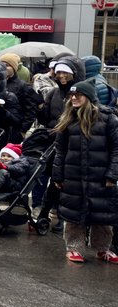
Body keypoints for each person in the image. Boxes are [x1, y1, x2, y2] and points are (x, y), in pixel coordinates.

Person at [51, 81, 118, 264]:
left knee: (103, 216)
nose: (73, 98)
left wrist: (112, 174)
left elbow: (116, 149)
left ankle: (103, 248)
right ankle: (74, 248)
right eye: (71, 95)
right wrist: (58, 174)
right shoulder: (67, 120)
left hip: (101, 175)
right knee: (74, 215)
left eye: (78, 94)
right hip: (73, 175)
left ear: (88, 97)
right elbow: (60, 150)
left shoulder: (108, 119)